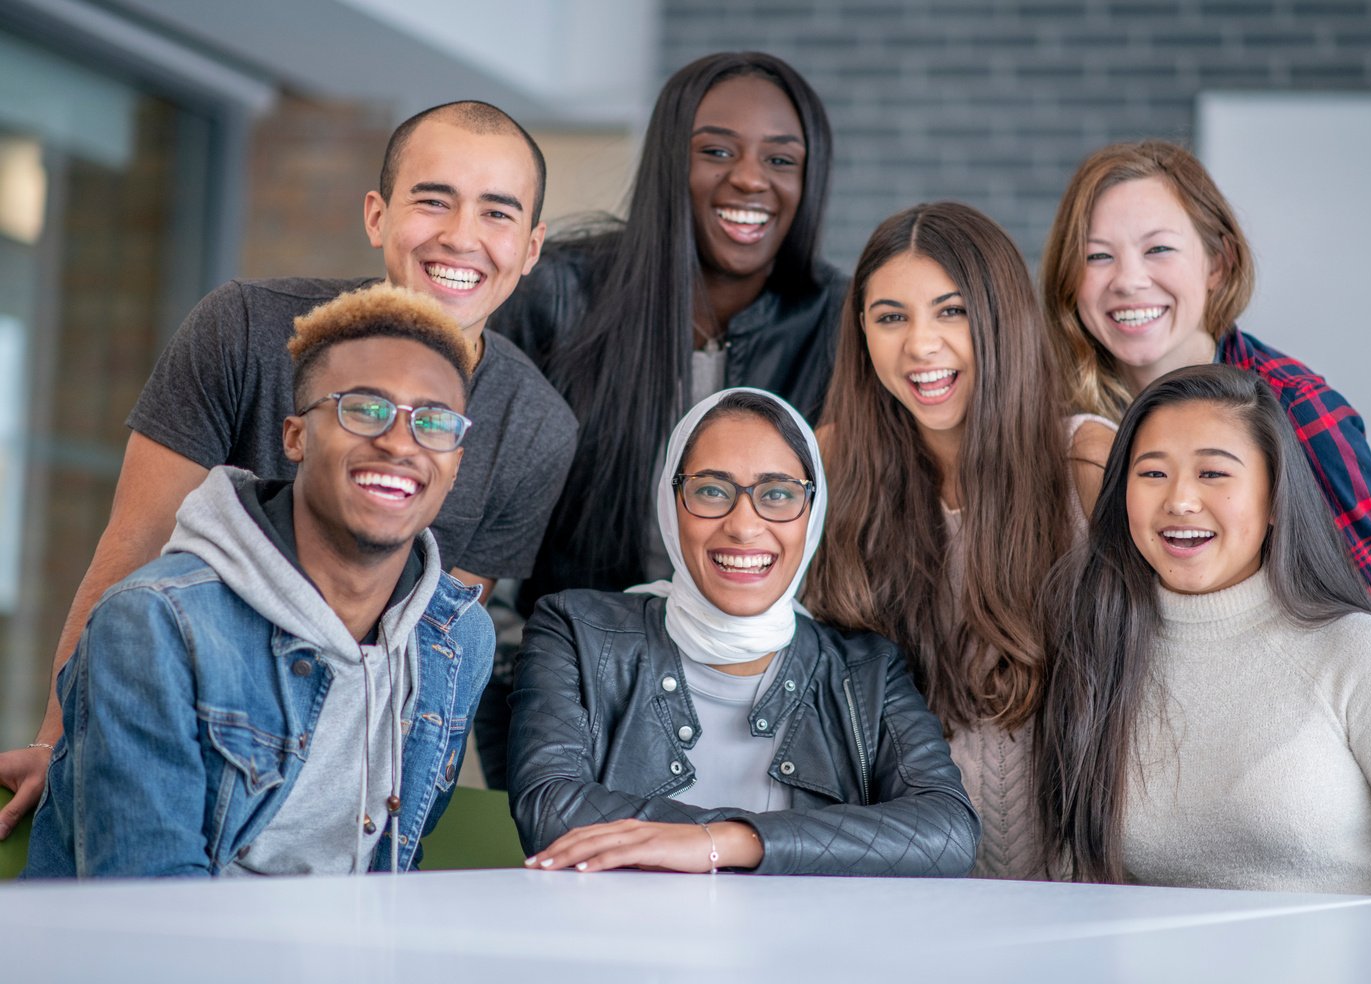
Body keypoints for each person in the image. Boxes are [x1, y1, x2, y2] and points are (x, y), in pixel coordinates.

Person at [0, 99, 577, 841]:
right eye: (433, 200)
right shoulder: (242, 329)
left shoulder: (537, 428)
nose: (461, 236)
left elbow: (425, 644)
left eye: (497, 214)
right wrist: (58, 739)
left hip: (333, 796)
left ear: (530, 248)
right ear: (377, 216)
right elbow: (134, 546)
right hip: (170, 728)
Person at [24, 284, 495, 877]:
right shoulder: (155, 624)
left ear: (455, 464)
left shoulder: (455, 638)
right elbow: (150, 908)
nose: (400, 443)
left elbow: (392, 871)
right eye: (364, 409)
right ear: (296, 436)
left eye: (434, 422)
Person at [1037, 139, 1371, 775]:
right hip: (1134, 761)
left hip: (1285, 762)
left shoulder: (1295, 409)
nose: (1127, 280)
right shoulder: (1057, 419)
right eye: (1097, 256)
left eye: (1158, 249)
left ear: (1218, 263)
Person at [480, 51, 845, 786]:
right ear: (668, 161)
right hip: (565, 690)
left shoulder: (843, 321)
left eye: (781, 159)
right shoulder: (557, 294)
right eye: (716, 151)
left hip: (764, 704)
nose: (751, 179)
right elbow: (482, 508)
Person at [1035, 363, 1371, 901]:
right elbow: (1075, 885)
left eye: (1213, 474)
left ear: (1273, 499)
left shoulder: (1359, 652)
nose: (1180, 500)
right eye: (1152, 474)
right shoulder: (1096, 648)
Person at [507, 388, 977, 876]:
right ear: (671, 501)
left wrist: (729, 841)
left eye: (778, 494)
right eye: (712, 490)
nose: (744, 525)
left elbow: (948, 831)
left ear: (812, 513)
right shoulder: (576, 633)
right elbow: (550, 808)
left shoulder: (866, 671)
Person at [804, 202, 1111, 880]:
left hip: (1074, 888)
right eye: (891, 318)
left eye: (952, 311)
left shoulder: (1086, 462)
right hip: (897, 882)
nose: (921, 345)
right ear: (861, 332)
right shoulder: (827, 464)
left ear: (1003, 318)